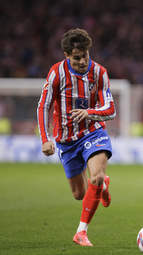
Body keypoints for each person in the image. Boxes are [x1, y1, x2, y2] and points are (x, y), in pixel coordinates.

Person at [37, 28, 116, 246]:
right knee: (79, 194)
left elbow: (110, 109)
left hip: (93, 131)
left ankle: (81, 231)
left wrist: (89, 113)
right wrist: (45, 138)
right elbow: (43, 105)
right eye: (77, 57)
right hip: (66, 140)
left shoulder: (99, 73)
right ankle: (103, 185)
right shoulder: (56, 73)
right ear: (66, 55)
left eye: (85, 55)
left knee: (96, 177)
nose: (82, 61)